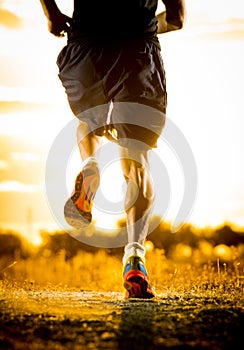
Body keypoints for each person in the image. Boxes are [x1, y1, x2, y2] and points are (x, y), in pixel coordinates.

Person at [39, 0, 185, 299]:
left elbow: (53, 14)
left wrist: (51, 13)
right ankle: (134, 257)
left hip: (86, 46)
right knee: (137, 156)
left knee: (87, 121)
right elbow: (177, 17)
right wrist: (140, 26)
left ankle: (90, 163)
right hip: (137, 50)